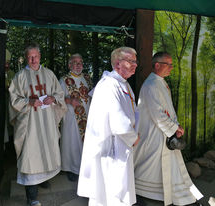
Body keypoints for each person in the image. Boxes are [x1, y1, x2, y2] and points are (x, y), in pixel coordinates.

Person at [134, 52, 203, 206]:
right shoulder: (151, 85)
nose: (171, 68)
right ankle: (140, 191)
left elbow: (168, 109)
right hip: (154, 134)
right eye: (168, 64)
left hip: (163, 132)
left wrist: (176, 126)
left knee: (165, 166)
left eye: (172, 64)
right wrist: (173, 128)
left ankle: (178, 196)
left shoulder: (160, 82)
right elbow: (157, 114)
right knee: (151, 165)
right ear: (157, 65)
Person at [77, 47, 140, 206]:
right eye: (131, 61)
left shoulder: (123, 84)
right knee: (111, 190)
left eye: (135, 61)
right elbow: (119, 122)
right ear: (118, 64)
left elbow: (134, 111)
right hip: (111, 147)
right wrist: (133, 137)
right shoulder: (109, 85)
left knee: (115, 189)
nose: (135, 65)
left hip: (120, 144)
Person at [9, 44, 67, 206]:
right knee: (30, 155)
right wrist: (29, 101)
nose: (33, 60)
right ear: (26, 58)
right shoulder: (19, 77)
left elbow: (59, 93)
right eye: (30, 57)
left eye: (36, 56)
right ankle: (31, 197)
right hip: (29, 124)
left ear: (40, 56)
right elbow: (13, 100)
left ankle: (44, 179)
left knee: (46, 152)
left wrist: (54, 99)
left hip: (47, 122)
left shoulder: (49, 74)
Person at [59, 54, 93, 181]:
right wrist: (69, 100)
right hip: (72, 117)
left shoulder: (87, 78)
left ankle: (84, 168)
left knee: (85, 142)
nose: (78, 65)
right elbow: (57, 97)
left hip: (87, 115)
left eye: (80, 62)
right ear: (69, 65)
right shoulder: (64, 80)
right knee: (72, 142)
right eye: (75, 62)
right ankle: (71, 169)